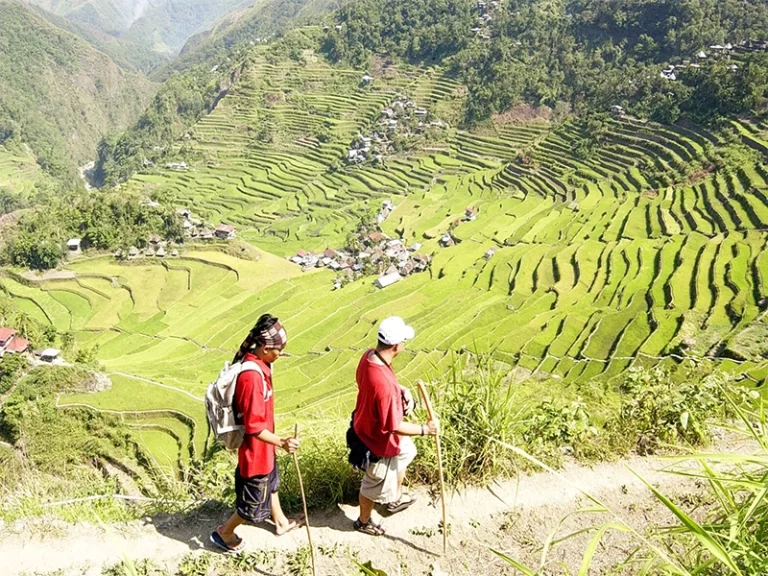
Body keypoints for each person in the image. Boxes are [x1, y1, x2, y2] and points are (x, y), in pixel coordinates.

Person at [210, 314, 304, 553]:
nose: (280, 354)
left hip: (265, 447)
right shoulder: (251, 378)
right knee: (251, 503)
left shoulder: (261, 365)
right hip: (255, 454)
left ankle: (280, 522)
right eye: (279, 350)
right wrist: (282, 442)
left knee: (271, 484)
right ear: (265, 348)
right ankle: (225, 532)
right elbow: (253, 427)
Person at [352, 316, 439, 536]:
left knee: (407, 451)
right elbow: (394, 425)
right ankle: (363, 521)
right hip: (377, 440)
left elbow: (375, 384)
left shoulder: (369, 356)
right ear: (396, 345)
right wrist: (425, 429)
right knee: (373, 484)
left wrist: (400, 389)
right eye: (403, 342)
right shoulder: (384, 385)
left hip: (366, 422)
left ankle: (395, 497)